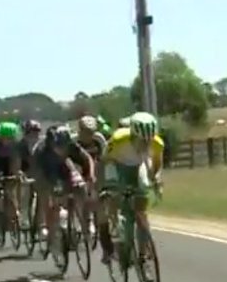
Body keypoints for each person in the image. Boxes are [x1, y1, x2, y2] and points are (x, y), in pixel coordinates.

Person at [100, 112, 164, 264]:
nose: (145, 145)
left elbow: (157, 164)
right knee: (115, 196)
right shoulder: (118, 140)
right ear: (133, 136)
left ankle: (142, 252)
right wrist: (105, 187)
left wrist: (156, 181)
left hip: (137, 166)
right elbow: (104, 161)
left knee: (141, 206)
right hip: (116, 165)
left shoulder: (157, 143)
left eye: (148, 141)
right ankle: (116, 231)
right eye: (142, 141)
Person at [34, 125, 89, 253]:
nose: (62, 149)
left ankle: (77, 223)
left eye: (65, 146)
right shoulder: (42, 152)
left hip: (64, 171)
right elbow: (39, 174)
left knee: (79, 188)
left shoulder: (72, 147)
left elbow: (86, 159)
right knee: (49, 198)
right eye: (59, 146)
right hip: (47, 174)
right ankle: (49, 227)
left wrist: (89, 175)